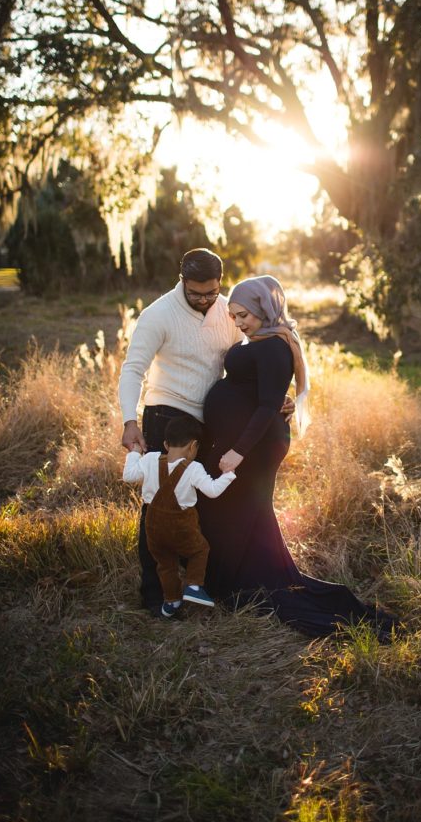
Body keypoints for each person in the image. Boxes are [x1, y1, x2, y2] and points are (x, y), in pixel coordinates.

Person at [197, 274, 397, 641]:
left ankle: (244, 583)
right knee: (243, 514)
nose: (239, 323)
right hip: (245, 445)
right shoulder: (264, 339)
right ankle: (235, 580)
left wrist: (237, 453)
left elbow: (268, 404)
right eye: (234, 316)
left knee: (236, 510)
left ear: (262, 307)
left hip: (253, 449)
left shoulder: (274, 345)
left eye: (244, 315)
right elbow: (267, 393)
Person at [118, 247, 293, 615]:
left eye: (211, 292)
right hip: (168, 415)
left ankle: (202, 583)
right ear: (182, 280)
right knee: (160, 506)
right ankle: (155, 593)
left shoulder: (229, 310)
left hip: (211, 424)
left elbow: (250, 363)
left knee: (202, 505)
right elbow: (133, 369)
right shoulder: (158, 315)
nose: (203, 299)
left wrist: (277, 397)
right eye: (196, 293)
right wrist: (129, 420)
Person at [123, 416, 236, 619]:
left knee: (165, 564)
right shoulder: (194, 468)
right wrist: (228, 474)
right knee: (199, 550)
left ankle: (171, 599)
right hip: (180, 527)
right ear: (194, 446)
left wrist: (134, 453)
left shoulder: (149, 459)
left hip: (153, 528)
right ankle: (193, 586)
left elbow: (129, 476)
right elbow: (212, 491)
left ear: (166, 444)